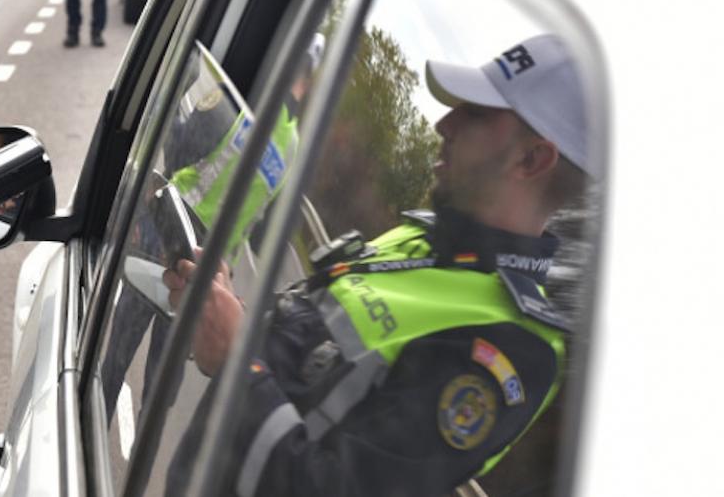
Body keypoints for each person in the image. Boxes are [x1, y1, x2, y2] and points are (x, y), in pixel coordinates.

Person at [164, 35, 589, 496]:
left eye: (476, 113)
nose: (444, 123)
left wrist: (237, 364)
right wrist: (227, 315)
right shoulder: (423, 238)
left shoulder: (514, 346)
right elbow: (307, 369)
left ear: (531, 158)